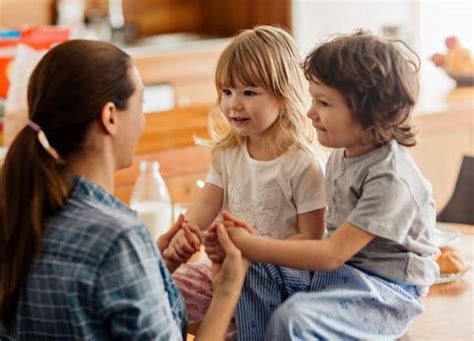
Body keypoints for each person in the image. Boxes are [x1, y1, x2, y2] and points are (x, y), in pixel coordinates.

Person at [0, 39, 248, 340]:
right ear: (110, 117)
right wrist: (227, 290)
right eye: (140, 105)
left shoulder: (19, 213)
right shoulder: (118, 239)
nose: (142, 121)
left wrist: (155, 264)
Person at [215, 30, 440, 340]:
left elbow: (332, 253)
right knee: (254, 269)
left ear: (368, 112)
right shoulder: (340, 157)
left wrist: (250, 244)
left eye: (323, 102)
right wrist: (250, 253)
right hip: (343, 276)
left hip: (387, 293)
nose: (310, 113)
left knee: (295, 317)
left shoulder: (390, 178)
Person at [164, 25, 327, 334]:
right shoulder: (228, 153)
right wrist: (186, 234)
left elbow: (313, 239)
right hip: (226, 272)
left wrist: (254, 250)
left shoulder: (302, 163)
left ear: (284, 94)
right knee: (164, 289)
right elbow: (204, 205)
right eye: (227, 92)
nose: (233, 104)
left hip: (279, 280)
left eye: (248, 92)